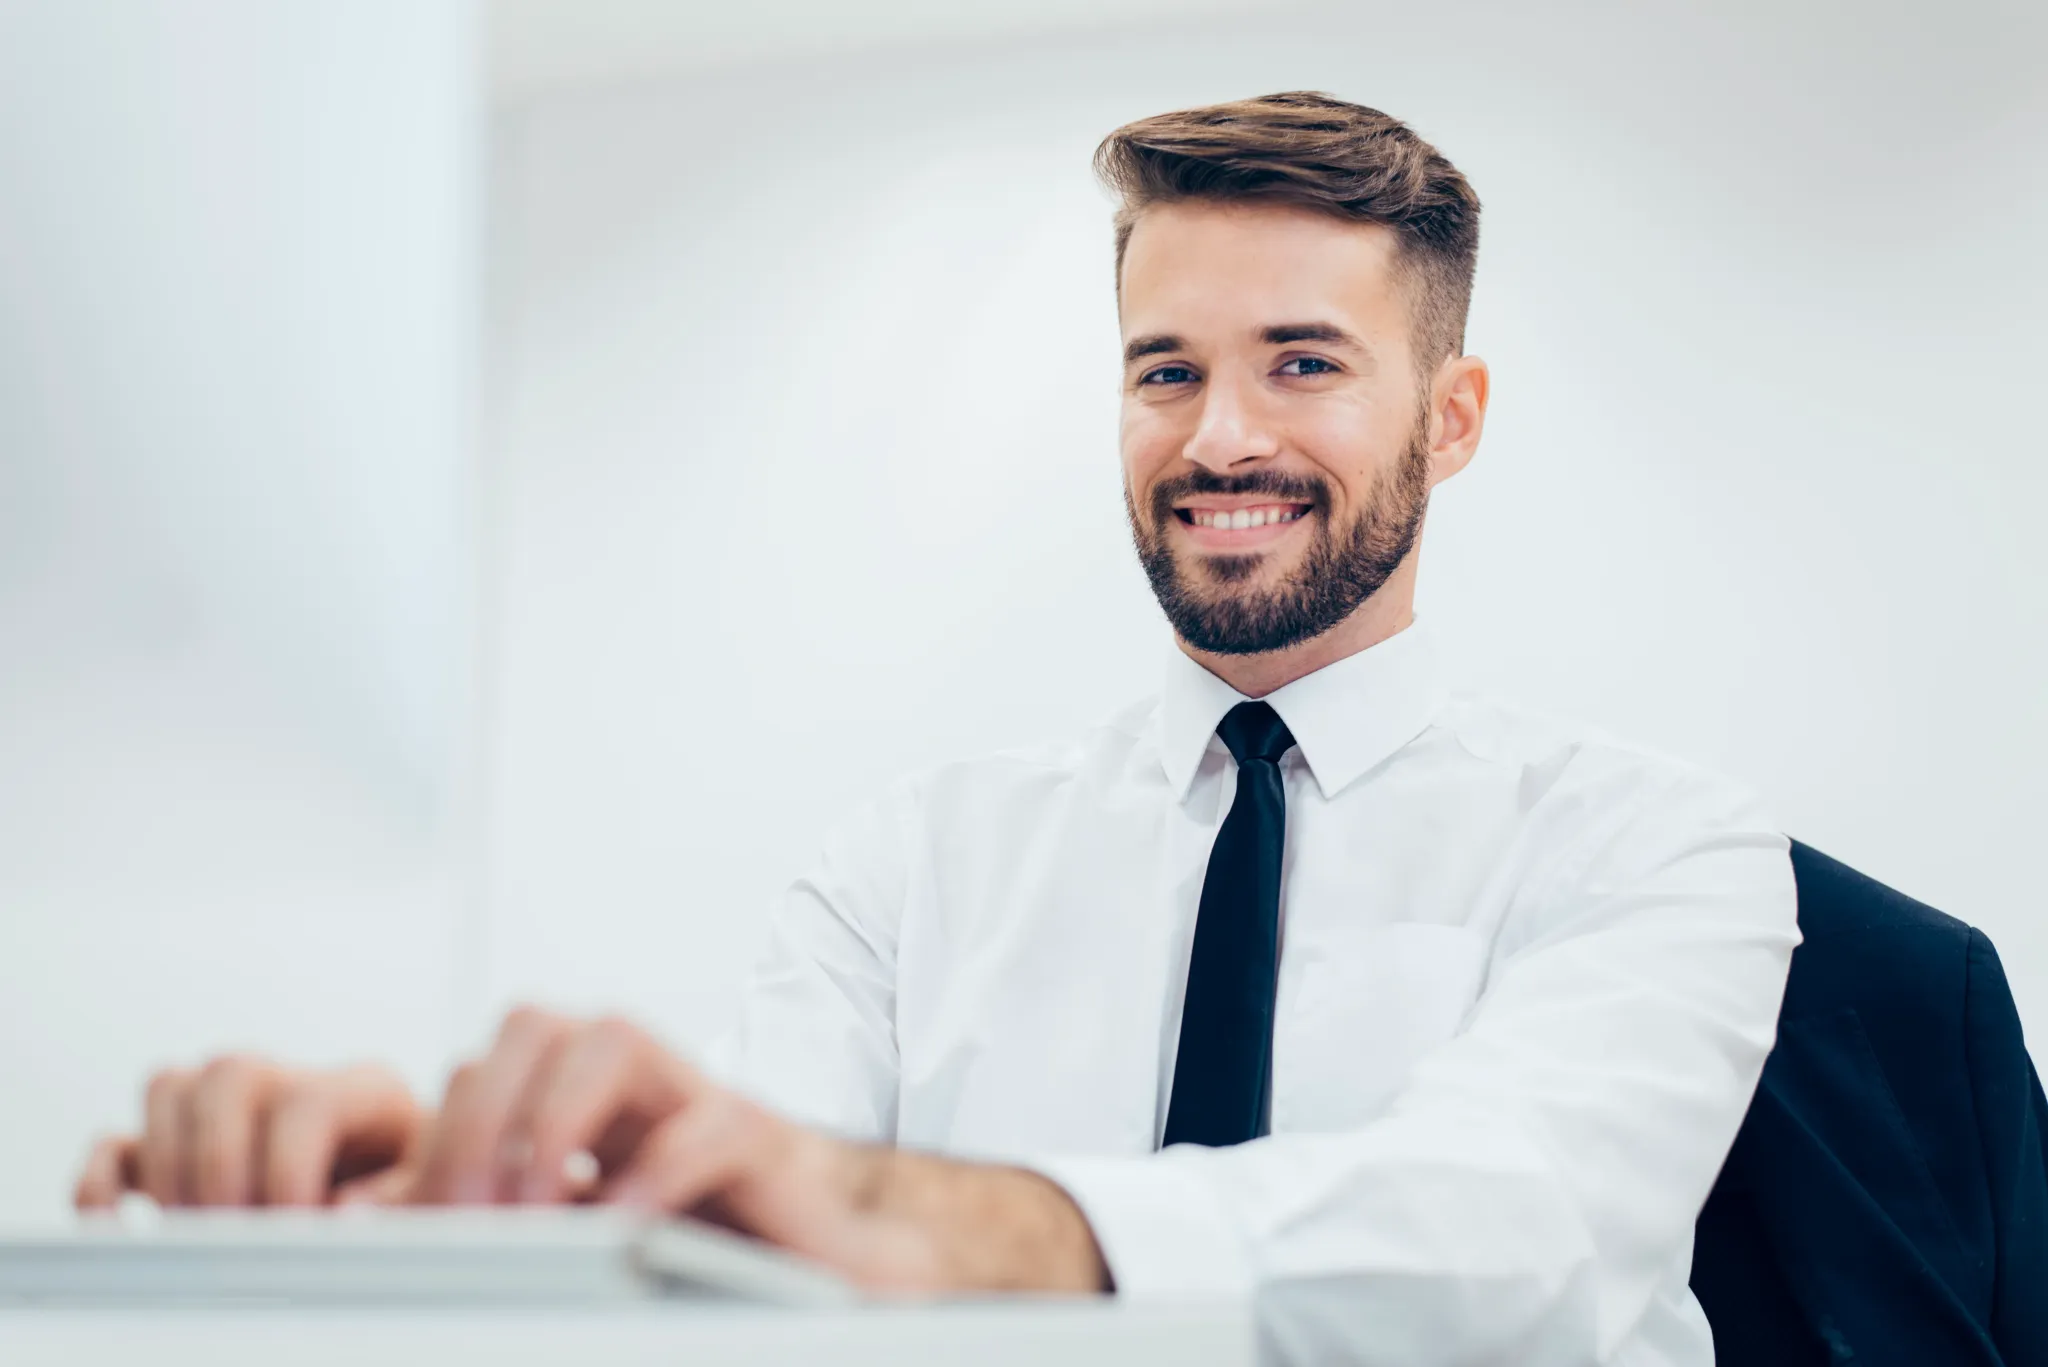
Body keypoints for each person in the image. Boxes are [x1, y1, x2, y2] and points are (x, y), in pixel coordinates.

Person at [74, 93, 1800, 1365]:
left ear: (1457, 414)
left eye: (1302, 363)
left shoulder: (1657, 846)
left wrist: (929, 1220)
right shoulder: (917, 860)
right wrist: (454, 1208)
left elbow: (1503, 1238)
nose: (1219, 438)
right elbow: (739, 1235)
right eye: (1164, 369)